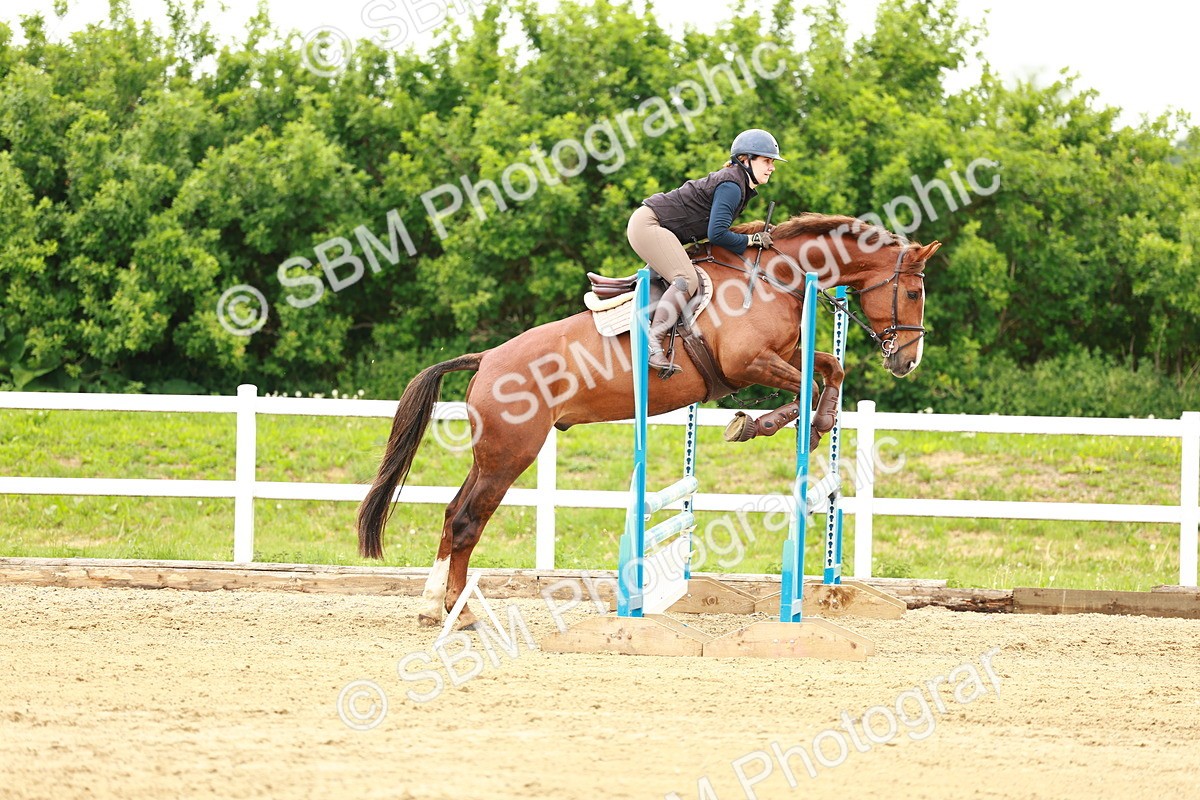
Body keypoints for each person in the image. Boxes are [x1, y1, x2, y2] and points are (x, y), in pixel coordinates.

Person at [626, 128, 785, 378]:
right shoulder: (732, 185)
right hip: (649, 225)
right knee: (686, 280)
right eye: (766, 161)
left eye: (772, 162)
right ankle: (652, 342)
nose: (772, 167)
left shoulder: (738, 183)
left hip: (661, 229)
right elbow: (718, 234)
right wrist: (752, 239)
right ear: (745, 160)